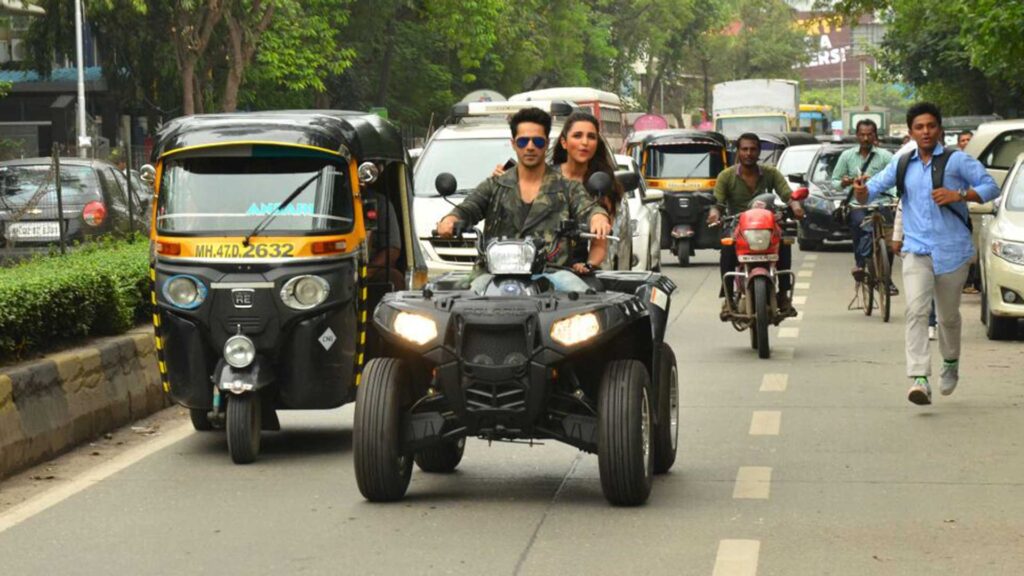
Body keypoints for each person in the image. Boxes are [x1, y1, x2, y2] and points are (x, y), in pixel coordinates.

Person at [853, 102, 998, 406]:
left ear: (940, 129)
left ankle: (950, 363)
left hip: (952, 251)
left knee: (947, 317)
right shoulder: (903, 163)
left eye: (931, 126)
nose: (926, 132)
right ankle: (919, 377)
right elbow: (873, 188)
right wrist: (861, 191)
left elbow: (990, 186)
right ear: (910, 132)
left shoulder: (957, 161)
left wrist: (959, 195)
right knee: (916, 311)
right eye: (919, 127)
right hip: (916, 250)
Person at [436, 107, 611, 269]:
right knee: (461, 297)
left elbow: (589, 207)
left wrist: (598, 218)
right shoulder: (495, 185)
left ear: (547, 143)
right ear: (513, 144)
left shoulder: (568, 187)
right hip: (493, 275)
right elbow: (469, 208)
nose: (530, 147)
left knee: (578, 293)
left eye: (537, 142)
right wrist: (450, 220)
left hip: (553, 277)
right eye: (523, 142)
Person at [707, 133, 804, 318]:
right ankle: (728, 300)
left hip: (767, 226)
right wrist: (714, 215)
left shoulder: (771, 173)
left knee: (784, 243)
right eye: (744, 149)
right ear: (738, 152)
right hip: (738, 227)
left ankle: (783, 294)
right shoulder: (726, 176)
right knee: (727, 249)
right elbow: (717, 203)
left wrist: (796, 207)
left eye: (753, 149)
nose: (749, 153)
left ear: (759, 152)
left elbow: (788, 196)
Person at [550, 111, 623, 275]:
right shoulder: (545, 177)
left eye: (591, 137)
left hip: (574, 272)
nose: (584, 142)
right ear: (564, 142)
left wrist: (588, 265)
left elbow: (599, 244)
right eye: (577, 135)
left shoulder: (602, 186)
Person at [831, 119, 896, 289]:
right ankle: (860, 265)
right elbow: (835, 181)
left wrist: (894, 198)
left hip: (883, 202)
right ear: (857, 136)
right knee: (860, 229)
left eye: (869, 134)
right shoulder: (847, 156)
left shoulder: (886, 156)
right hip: (857, 204)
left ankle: (887, 278)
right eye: (862, 135)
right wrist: (845, 182)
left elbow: (895, 181)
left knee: (890, 241)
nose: (866, 138)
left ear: (875, 136)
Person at [362, 185, 405, 290]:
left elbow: (393, 250)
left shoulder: (379, 203)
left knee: (394, 277)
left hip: (369, 267)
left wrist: (368, 271)